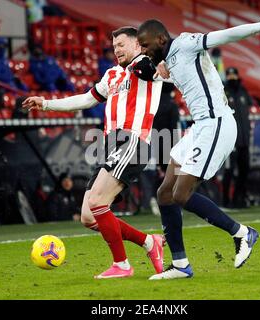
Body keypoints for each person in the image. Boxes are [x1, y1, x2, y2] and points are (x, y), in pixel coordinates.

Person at [137, 10, 260, 279]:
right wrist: (152, 72)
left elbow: (225, 35)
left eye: (146, 45)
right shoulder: (169, 59)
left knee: (181, 195)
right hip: (200, 127)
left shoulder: (184, 43)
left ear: (161, 39)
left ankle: (241, 233)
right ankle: (181, 265)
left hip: (217, 123)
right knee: (164, 193)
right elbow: (180, 77)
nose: (145, 51)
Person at [22, 27, 166, 279]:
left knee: (98, 202)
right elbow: (86, 100)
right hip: (110, 144)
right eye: (114, 46)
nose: (117, 50)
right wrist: (46, 103)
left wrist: (160, 62)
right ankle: (148, 242)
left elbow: (160, 72)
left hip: (132, 140)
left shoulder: (145, 64)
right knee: (89, 217)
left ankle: (121, 265)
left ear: (137, 44)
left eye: (121, 44)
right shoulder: (112, 75)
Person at [222, 67, 253, 208]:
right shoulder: (223, 91)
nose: (232, 77)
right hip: (230, 139)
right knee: (229, 171)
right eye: (230, 75)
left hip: (244, 139)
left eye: (234, 74)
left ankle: (238, 199)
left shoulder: (243, 91)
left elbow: (248, 109)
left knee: (244, 169)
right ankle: (225, 200)